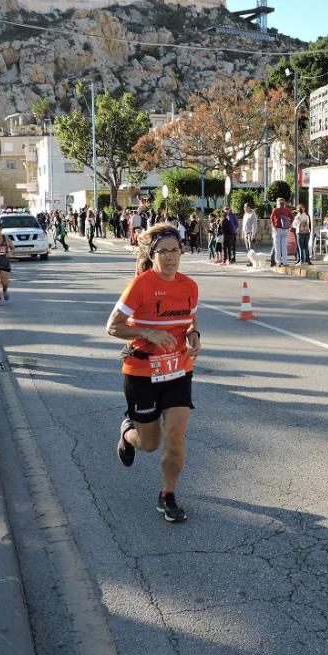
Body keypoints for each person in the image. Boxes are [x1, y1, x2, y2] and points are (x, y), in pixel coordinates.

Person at [106, 224, 201, 523]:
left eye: (175, 251)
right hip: (142, 373)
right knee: (149, 443)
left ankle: (167, 496)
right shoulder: (141, 285)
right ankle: (127, 433)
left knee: (175, 436)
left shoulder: (189, 286)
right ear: (152, 254)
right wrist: (147, 331)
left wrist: (193, 334)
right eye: (164, 252)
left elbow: (188, 320)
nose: (171, 257)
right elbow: (113, 326)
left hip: (177, 370)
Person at [270, 197, 293, 267]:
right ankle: (285, 262)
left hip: (277, 229)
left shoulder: (275, 210)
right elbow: (292, 217)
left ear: (278, 203)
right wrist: (290, 225)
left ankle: (278, 262)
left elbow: (271, 218)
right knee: (284, 246)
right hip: (285, 229)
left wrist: (274, 226)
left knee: (277, 247)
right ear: (284, 203)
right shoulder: (287, 210)